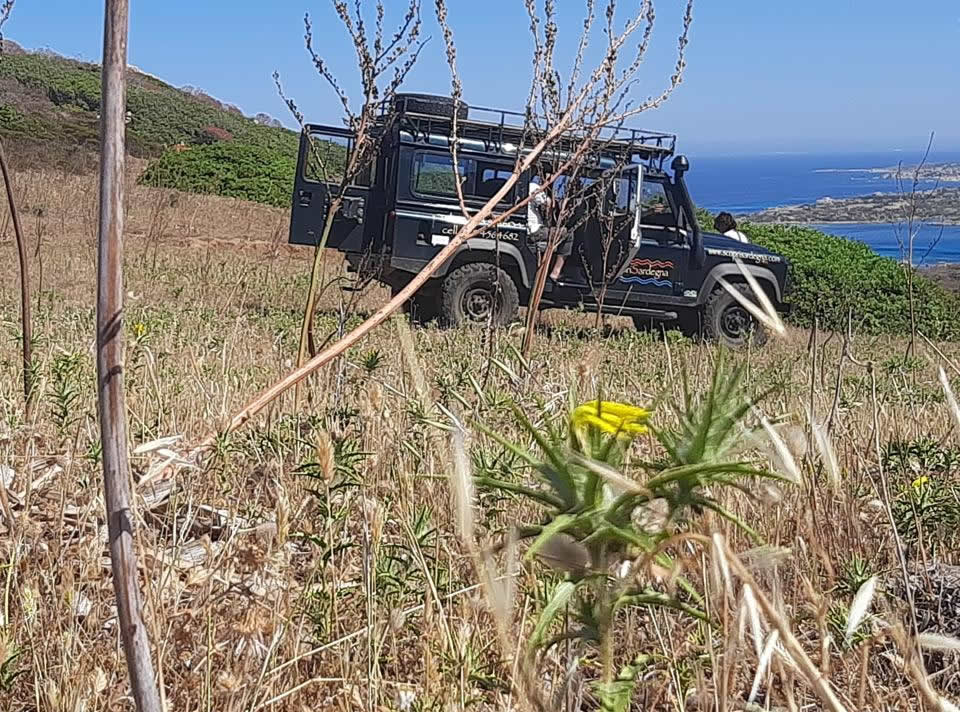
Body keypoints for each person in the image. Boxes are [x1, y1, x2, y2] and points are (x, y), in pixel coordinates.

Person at [527, 175, 573, 281]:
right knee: (568, 234)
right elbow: (548, 204)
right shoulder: (533, 187)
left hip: (530, 229)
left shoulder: (525, 186)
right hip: (535, 231)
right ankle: (556, 272)